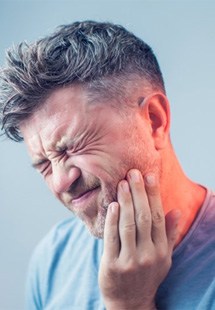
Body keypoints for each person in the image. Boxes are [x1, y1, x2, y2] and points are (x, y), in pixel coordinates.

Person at [0, 21, 215, 310]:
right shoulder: (52, 258)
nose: (60, 182)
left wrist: (130, 304)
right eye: (43, 165)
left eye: (72, 147)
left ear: (154, 121)